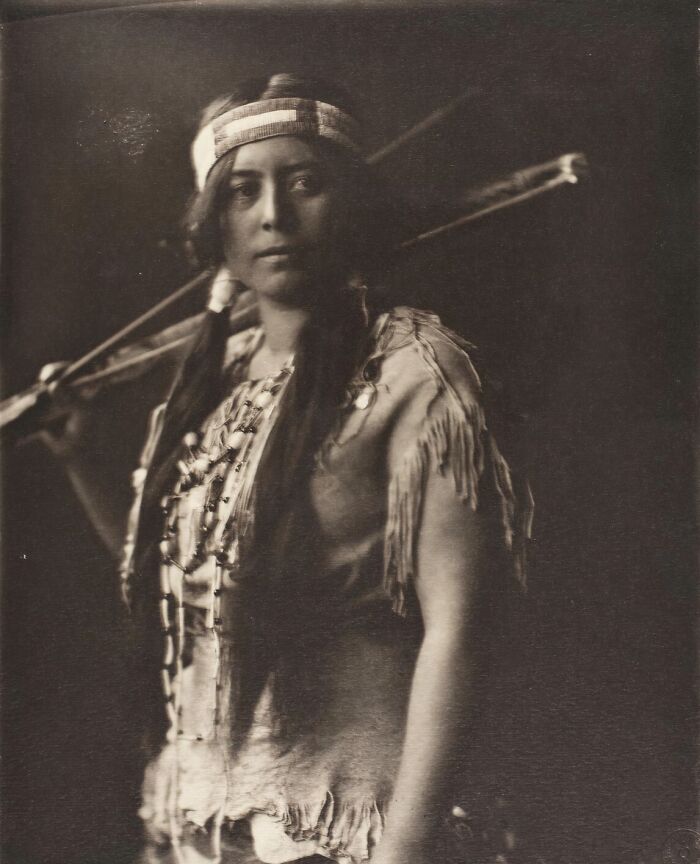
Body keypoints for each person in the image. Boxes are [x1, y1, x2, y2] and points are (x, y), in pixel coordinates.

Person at [43, 73, 532, 864]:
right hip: (198, 825)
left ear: (351, 205)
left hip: (348, 827)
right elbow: (193, 581)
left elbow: (462, 630)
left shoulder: (417, 370)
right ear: (215, 229)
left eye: (305, 183)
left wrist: (403, 854)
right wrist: (82, 466)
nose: (274, 215)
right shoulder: (218, 374)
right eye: (242, 191)